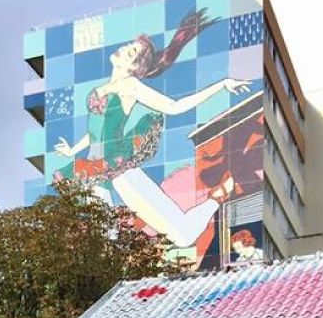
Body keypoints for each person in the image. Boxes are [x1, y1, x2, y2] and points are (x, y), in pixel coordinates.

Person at [53, 12, 250, 245]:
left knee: (183, 237)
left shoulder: (131, 87)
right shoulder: (99, 88)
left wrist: (221, 85)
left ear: (135, 66)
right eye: (130, 46)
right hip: (91, 170)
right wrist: (72, 150)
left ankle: (215, 198)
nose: (126, 48)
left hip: (118, 169)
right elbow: (96, 130)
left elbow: (174, 106)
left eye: (133, 51)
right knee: (105, 239)